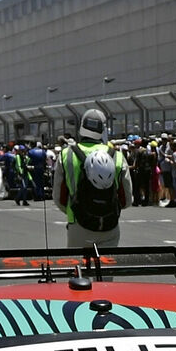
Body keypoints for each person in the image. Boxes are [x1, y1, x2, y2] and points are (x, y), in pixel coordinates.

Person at [57, 107, 129, 253]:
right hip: (109, 223)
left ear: (82, 127)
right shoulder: (117, 156)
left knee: (77, 264)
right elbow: (126, 200)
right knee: (107, 265)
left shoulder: (66, 155)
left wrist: (74, 210)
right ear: (103, 129)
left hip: (77, 223)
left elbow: (59, 198)